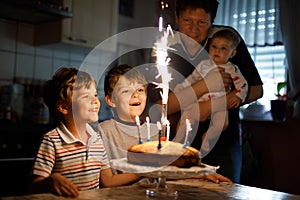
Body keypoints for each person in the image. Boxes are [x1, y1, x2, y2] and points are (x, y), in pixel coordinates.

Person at [155, 0, 263, 183]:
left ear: (212, 21)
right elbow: (160, 106)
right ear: (176, 17)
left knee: (225, 190)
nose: (194, 29)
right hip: (180, 141)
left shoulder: (225, 40)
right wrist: (205, 87)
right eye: (187, 20)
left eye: (202, 22)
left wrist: (216, 104)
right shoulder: (166, 45)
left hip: (224, 142)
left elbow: (255, 89)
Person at [99, 64, 232, 184]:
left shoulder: (154, 130)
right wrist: (144, 171)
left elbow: (164, 171)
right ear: (111, 100)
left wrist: (201, 174)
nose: (135, 95)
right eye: (126, 91)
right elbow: (108, 182)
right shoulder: (103, 132)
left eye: (140, 90)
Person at [28, 67, 140, 197]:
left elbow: (108, 181)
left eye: (95, 95)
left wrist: (143, 172)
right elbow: (33, 187)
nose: (95, 101)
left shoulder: (96, 139)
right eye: (86, 96)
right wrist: (50, 182)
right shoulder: (52, 141)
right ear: (64, 107)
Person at [174, 29, 248, 157]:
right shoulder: (204, 65)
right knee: (185, 118)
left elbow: (243, 85)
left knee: (222, 124)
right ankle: (178, 141)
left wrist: (238, 95)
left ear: (232, 53)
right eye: (214, 47)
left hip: (220, 105)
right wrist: (181, 87)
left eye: (223, 48)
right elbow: (192, 78)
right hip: (200, 101)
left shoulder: (232, 69)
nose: (217, 50)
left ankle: (207, 139)